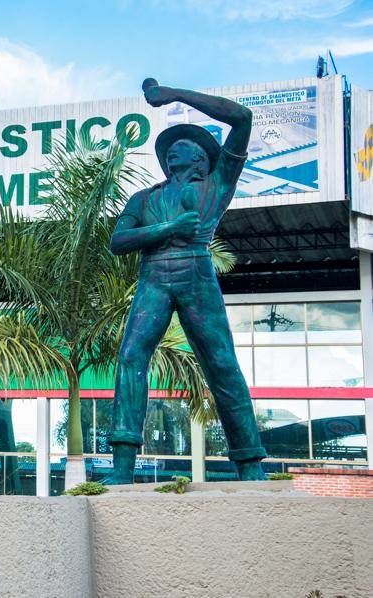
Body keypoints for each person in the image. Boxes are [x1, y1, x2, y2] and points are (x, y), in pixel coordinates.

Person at [105, 80, 267, 484]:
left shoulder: (217, 185)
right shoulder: (144, 198)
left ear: (202, 162)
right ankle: (123, 466)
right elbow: (118, 241)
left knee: (221, 363)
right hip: (154, 276)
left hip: (196, 272)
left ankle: (250, 463)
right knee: (130, 358)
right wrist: (168, 227)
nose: (174, 147)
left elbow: (242, 118)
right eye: (171, 146)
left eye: (187, 145)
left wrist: (175, 94)